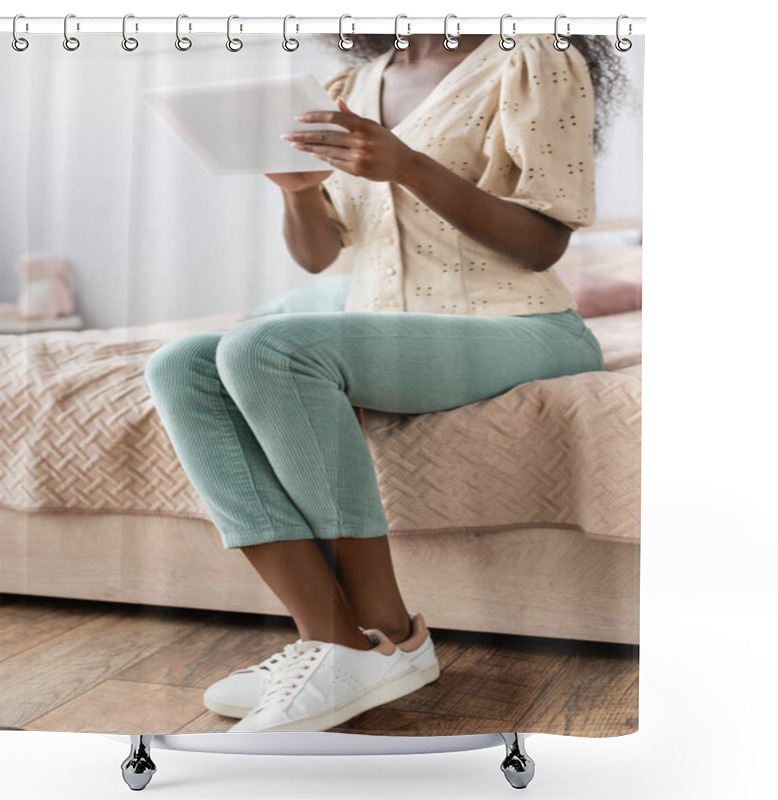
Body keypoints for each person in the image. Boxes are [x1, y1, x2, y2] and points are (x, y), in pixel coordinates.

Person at [143, 33, 623, 734]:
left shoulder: (533, 58)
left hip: (518, 325)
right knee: (178, 363)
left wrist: (407, 165)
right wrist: (300, 195)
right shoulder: (349, 86)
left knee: (267, 349)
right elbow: (320, 258)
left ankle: (385, 634)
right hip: (384, 325)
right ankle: (334, 644)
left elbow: (542, 242)